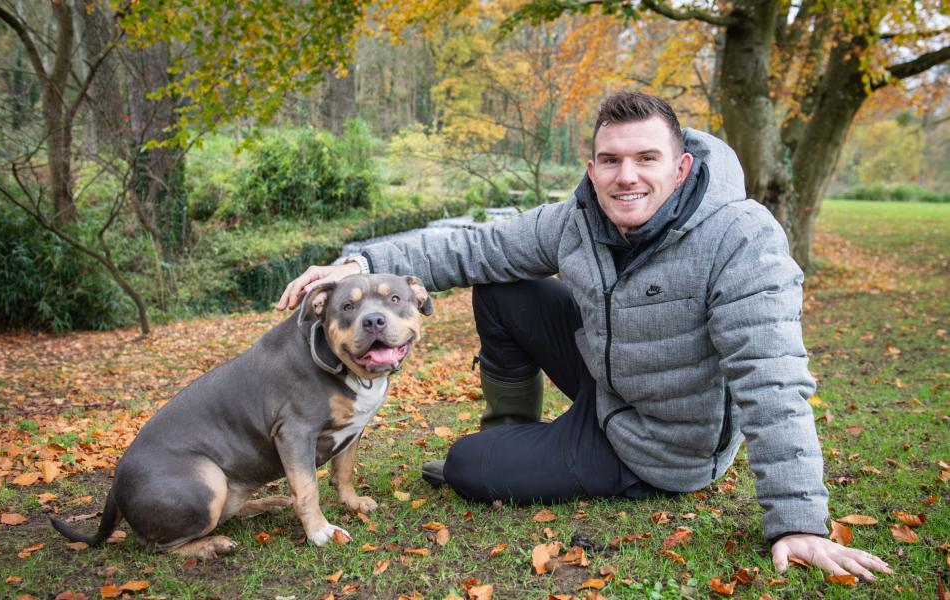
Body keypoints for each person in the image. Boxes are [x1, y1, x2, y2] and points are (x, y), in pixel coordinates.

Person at [277, 91, 891, 580]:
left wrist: (798, 520)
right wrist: (359, 265)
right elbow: (477, 246)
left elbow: (772, 378)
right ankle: (513, 435)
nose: (627, 177)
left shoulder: (740, 237)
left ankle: (505, 455)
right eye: (611, 160)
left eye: (646, 159)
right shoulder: (580, 218)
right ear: (592, 167)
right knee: (504, 285)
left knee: (465, 467)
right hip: (609, 379)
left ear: (680, 167)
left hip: (659, 443)